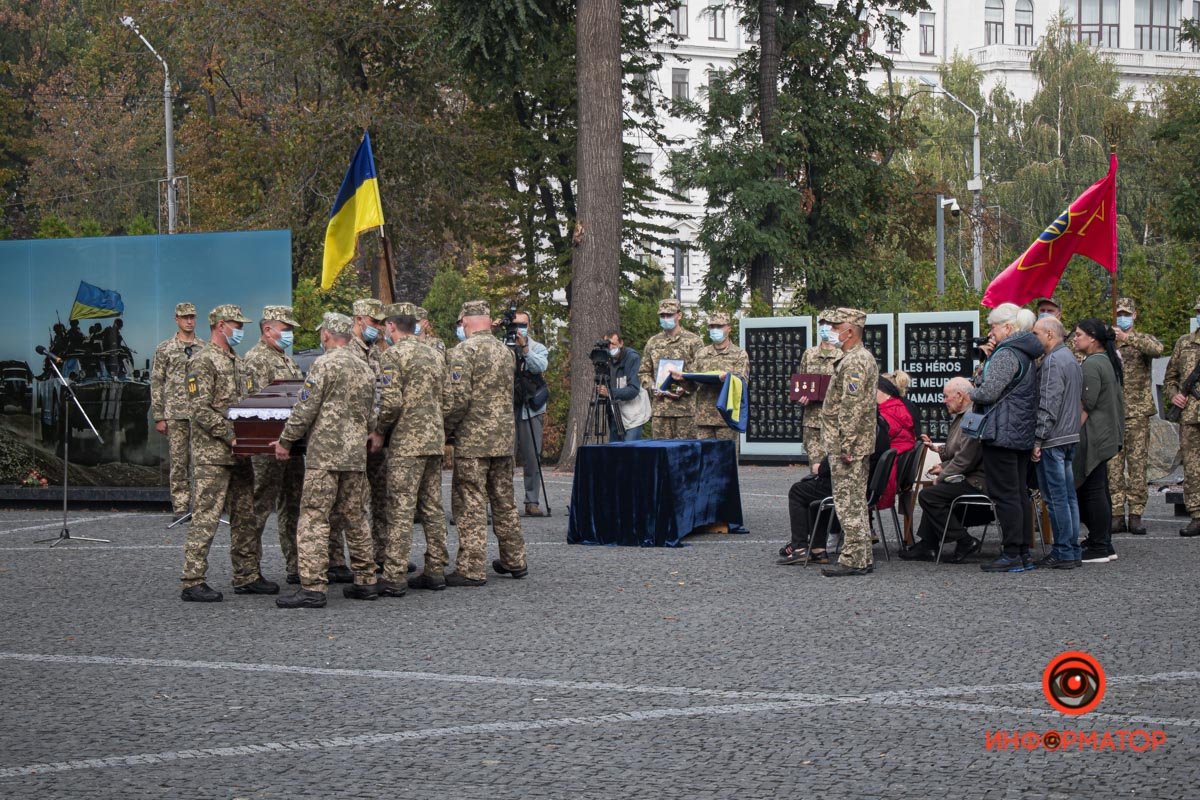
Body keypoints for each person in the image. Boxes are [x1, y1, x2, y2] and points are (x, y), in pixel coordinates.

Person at [274, 313, 379, 608]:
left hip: (326, 456)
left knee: (313, 518)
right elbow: (372, 413)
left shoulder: (323, 365)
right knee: (356, 517)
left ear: (327, 335)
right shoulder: (365, 367)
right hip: (354, 456)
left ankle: (313, 586)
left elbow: (305, 409)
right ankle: (366, 580)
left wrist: (285, 440)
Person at [180, 304, 276, 602]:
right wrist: (230, 435)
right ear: (221, 325)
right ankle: (192, 579)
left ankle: (246, 575)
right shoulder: (202, 361)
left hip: (240, 452)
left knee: (245, 515)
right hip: (214, 453)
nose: (240, 330)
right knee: (207, 517)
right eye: (236, 324)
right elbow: (198, 409)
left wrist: (251, 435)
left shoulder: (237, 361)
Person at [443, 300, 528, 585]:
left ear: (466, 320)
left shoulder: (463, 352)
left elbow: (457, 400)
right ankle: (515, 559)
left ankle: (471, 567)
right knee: (504, 501)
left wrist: (444, 429)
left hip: (473, 441)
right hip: (503, 439)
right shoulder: (505, 352)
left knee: (470, 503)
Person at [371, 305, 450, 594]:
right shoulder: (433, 353)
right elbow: (447, 398)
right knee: (432, 507)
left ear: (392, 326)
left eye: (385, 326)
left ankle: (393, 575)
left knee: (401, 508)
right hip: (433, 440)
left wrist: (379, 430)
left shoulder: (392, 355)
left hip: (407, 443)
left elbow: (390, 403)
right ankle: (436, 569)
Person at [971, 303, 1042, 574]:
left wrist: (970, 388)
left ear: (1008, 327)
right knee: (1019, 493)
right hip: (1020, 431)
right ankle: (1023, 551)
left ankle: (1012, 551)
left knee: (1005, 495)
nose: (990, 332)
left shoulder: (1006, 354)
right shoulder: (1026, 352)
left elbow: (989, 393)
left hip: (1001, 432)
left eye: (993, 326)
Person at [243, 305, 306, 584]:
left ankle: (296, 565)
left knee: (293, 506)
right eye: (286, 329)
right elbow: (256, 405)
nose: (289, 334)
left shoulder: (286, 360)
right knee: (259, 508)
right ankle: (248, 571)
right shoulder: (256, 359)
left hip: (291, 445)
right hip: (268, 447)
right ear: (268, 329)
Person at [780, 410, 889, 566]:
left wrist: (820, 468)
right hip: (868, 487)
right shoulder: (881, 427)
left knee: (798, 491)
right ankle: (818, 549)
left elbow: (837, 461)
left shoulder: (856, 430)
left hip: (849, 487)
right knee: (813, 492)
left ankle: (800, 547)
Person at [818, 308, 880, 578]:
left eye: (835, 326)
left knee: (848, 502)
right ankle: (861, 555)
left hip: (849, 446)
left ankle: (854, 558)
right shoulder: (856, 358)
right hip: (856, 443)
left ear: (850, 331)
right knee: (855, 501)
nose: (831, 330)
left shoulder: (855, 361)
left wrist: (846, 445)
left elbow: (851, 407)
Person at [899, 377, 986, 562]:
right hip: (968, 476)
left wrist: (944, 473)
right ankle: (928, 545)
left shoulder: (973, 417)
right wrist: (936, 449)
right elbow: (955, 451)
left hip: (977, 481)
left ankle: (964, 540)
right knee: (932, 491)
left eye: (946, 396)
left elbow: (966, 459)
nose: (943, 400)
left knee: (929, 495)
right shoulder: (962, 416)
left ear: (960, 396)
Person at [1030, 316, 1083, 570]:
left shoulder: (1052, 362)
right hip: (1070, 436)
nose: (1034, 338)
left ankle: (1063, 551)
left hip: (1053, 439)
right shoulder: (1071, 358)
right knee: (1069, 497)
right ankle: (1071, 548)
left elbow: (1048, 403)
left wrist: (1038, 438)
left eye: (1036, 334)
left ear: (1050, 334)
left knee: (1055, 498)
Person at [1109, 298, 1162, 535]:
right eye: (1119, 313)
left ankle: (1136, 513)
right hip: (1112, 413)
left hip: (1137, 413)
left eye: (1127, 314)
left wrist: (1127, 338)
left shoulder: (1141, 340)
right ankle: (1117, 513)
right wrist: (1114, 340)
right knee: (1113, 466)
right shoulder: (1108, 343)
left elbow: (1157, 350)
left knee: (1138, 465)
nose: (1123, 317)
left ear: (1135, 315)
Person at [1074, 318, 1125, 564]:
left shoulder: (1093, 364)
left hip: (1095, 434)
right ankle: (1102, 540)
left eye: (1079, 335)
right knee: (1098, 489)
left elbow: (1087, 403)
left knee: (1091, 491)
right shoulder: (1107, 360)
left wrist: (1072, 431)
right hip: (1105, 433)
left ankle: (1100, 544)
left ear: (1093, 338)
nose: (1075, 339)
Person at [151, 302, 205, 522]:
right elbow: (156, 382)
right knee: (179, 461)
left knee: (200, 461)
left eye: (192, 317)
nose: (189, 321)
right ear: (176, 319)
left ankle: (200, 507)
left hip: (199, 413)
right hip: (175, 413)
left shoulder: (204, 347)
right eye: (184, 317)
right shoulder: (165, 348)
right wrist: (159, 415)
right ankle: (181, 508)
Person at [349, 298, 389, 569]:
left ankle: (382, 555)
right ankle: (355, 561)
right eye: (374, 322)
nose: (378, 328)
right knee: (353, 503)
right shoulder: (346, 351)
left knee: (381, 497)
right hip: (353, 440)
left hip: (377, 437)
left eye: (381, 323)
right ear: (359, 319)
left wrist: (380, 430)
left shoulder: (376, 352)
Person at [638, 298, 703, 439]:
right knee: (661, 456)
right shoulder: (653, 342)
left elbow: (701, 373)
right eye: (662, 316)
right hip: (661, 412)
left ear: (679, 315)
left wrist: (685, 388)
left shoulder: (693, 341)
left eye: (669, 315)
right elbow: (644, 372)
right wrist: (652, 386)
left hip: (685, 411)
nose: (665, 318)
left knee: (686, 455)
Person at [1165, 295, 1200, 538]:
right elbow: (1171, 377)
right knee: (1192, 467)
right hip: (1189, 415)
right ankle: (1197, 515)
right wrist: (1174, 395)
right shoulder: (1184, 343)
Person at [511, 309, 551, 517]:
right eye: (516, 324)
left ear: (529, 325)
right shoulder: (503, 347)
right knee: (504, 457)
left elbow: (540, 366)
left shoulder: (538, 347)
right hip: (508, 408)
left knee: (532, 457)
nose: (519, 329)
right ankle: (504, 502)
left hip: (531, 409)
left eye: (523, 324)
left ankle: (532, 500)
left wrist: (525, 348)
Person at [688, 311, 750, 443]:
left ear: (729, 328)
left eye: (719, 326)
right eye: (711, 326)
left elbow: (742, 382)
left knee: (726, 460)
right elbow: (692, 381)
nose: (715, 329)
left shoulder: (739, 354)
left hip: (726, 418)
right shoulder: (701, 353)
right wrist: (679, 379)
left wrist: (727, 378)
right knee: (704, 460)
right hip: (703, 418)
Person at [798, 310, 843, 472]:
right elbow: (802, 382)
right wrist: (802, 396)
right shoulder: (809, 354)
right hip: (812, 421)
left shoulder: (843, 354)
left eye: (829, 324)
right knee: (815, 468)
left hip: (835, 421)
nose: (825, 328)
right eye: (822, 324)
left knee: (835, 469)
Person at [875, 371, 916, 512]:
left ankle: (835, 531)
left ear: (885, 393)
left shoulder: (885, 416)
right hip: (894, 474)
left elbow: (874, 445)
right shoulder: (900, 409)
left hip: (881, 479)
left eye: (875, 389)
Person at [597, 329, 646, 441]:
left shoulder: (632, 358)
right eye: (607, 345)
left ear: (621, 343)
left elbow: (633, 390)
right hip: (615, 412)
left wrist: (610, 392)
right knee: (615, 453)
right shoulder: (606, 359)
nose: (610, 348)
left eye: (613, 344)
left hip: (632, 415)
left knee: (630, 452)